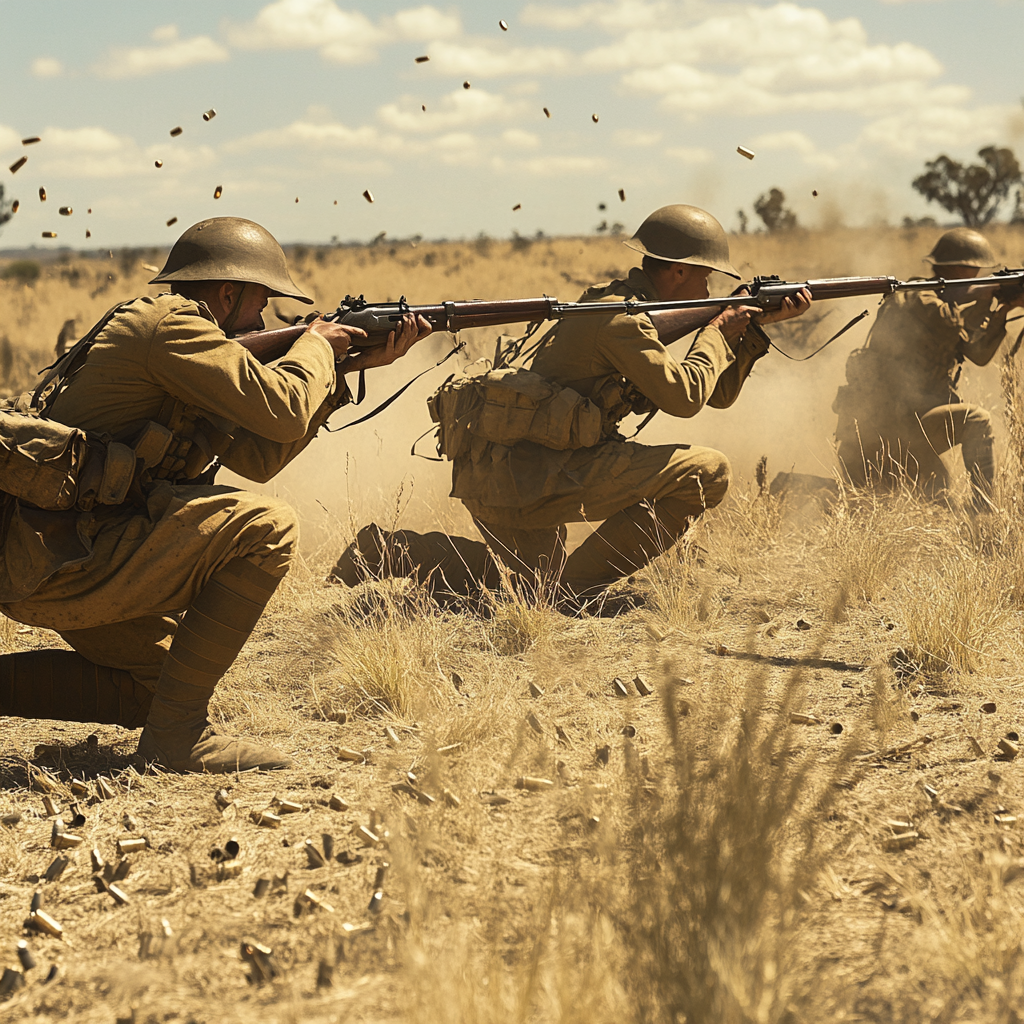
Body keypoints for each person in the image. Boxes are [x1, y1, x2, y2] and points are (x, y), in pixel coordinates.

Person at [0, 216, 430, 772]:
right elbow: (282, 408)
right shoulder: (171, 328)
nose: (263, 320)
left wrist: (340, 373)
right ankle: (179, 742)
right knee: (268, 529)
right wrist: (319, 348)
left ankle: (167, 725)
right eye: (260, 306)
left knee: (158, 689)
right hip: (65, 556)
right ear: (228, 294)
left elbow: (259, 456)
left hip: (59, 554)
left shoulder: (190, 345)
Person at [334, 204, 810, 609]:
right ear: (679, 271)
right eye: (705, 278)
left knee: (529, 593)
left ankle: (393, 552)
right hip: (530, 475)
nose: (709, 292)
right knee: (707, 471)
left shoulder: (627, 309)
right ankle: (577, 594)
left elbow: (714, 393)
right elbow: (685, 398)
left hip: (511, 472)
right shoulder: (622, 320)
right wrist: (716, 333)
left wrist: (747, 336)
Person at [834, 227, 1024, 505]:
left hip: (908, 428)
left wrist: (1003, 309)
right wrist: (984, 297)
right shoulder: (915, 296)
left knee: (937, 499)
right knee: (977, 420)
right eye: (976, 272)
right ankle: (985, 510)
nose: (978, 278)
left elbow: (979, 354)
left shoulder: (946, 307)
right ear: (959, 269)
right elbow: (947, 321)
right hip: (883, 431)